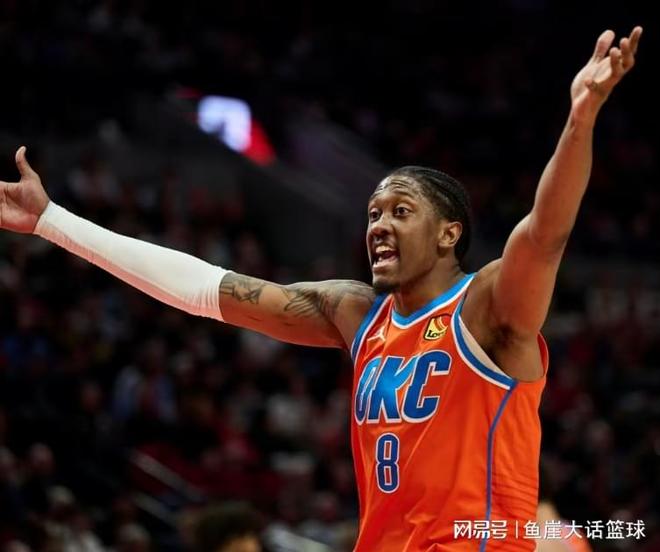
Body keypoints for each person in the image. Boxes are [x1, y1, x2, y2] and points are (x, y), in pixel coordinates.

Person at [0, 26, 642, 552]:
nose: (379, 225)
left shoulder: (489, 308)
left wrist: (580, 119)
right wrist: (53, 222)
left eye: (400, 211)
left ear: (450, 234)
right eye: (373, 213)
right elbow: (204, 287)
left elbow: (545, 234)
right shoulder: (354, 312)